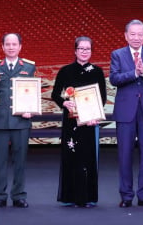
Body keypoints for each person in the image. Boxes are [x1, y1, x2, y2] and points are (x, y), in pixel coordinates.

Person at [109, 19, 143, 208]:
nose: (136, 38)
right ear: (125, 36)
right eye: (132, 34)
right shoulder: (117, 54)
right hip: (126, 112)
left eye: (140, 34)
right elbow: (114, 79)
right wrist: (134, 73)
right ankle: (126, 195)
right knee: (125, 154)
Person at [0, 32, 36, 208]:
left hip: (21, 121)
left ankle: (19, 195)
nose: (11, 47)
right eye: (8, 44)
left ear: (20, 46)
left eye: (14, 44)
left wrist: (31, 109)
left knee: (20, 160)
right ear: (2, 47)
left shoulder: (29, 66)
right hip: (0, 121)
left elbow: (33, 92)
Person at [51, 36, 107, 208]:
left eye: (87, 49)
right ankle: (71, 197)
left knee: (88, 157)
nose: (84, 52)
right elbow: (55, 94)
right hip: (71, 122)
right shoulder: (65, 71)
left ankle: (88, 197)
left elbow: (102, 98)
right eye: (81, 48)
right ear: (75, 50)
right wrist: (64, 103)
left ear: (91, 51)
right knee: (72, 156)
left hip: (90, 122)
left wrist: (94, 116)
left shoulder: (97, 72)